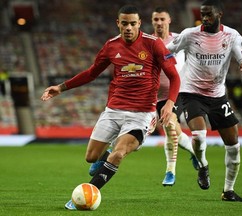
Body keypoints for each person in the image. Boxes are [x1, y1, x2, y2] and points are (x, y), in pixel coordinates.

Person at [41, 5, 180, 210]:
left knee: (119, 153)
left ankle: (88, 192)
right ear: (118, 24)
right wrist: (61, 88)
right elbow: (91, 73)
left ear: (139, 24)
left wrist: (169, 103)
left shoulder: (154, 44)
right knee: (91, 157)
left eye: (133, 23)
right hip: (114, 110)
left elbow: (175, 76)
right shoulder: (111, 46)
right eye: (124, 24)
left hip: (141, 115)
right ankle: (105, 156)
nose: (129, 28)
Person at [166, 0, 242, 202]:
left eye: (209, 14)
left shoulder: (231, 35)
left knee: (234, 145)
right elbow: (167, 52)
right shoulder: (190, 34)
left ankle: (228, 191)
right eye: (203, 14)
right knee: (199, 135)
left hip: (217, 95)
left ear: (219, 14)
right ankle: (203, 166)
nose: (205, 18)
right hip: (192, 92)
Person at [151, 6, 199, 186]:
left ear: (169, 21)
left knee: (170, 125)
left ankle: (170, 171)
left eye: (162, 19)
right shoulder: (148, 42)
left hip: (175, 92)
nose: (159, 23)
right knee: (173, 131)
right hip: (155, 95)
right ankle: (194, 150)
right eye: (156, 20)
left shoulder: (180, 40)